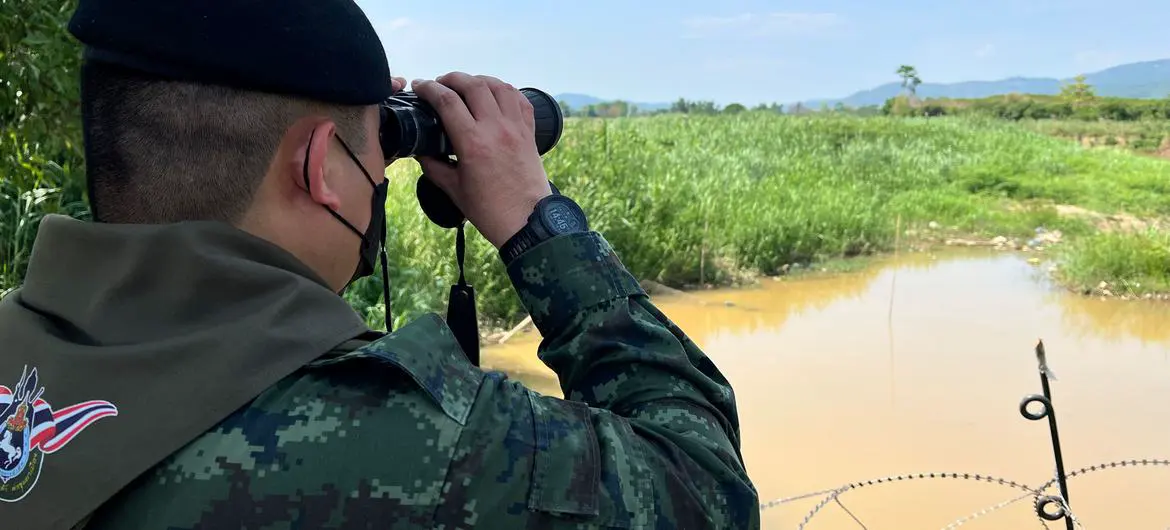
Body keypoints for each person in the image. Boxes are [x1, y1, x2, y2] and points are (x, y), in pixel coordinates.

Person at [0, 0, 759, 528]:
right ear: (322, 167)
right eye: (379, 151)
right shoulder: (418, 441)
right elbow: (707, 493)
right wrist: (538, 220)